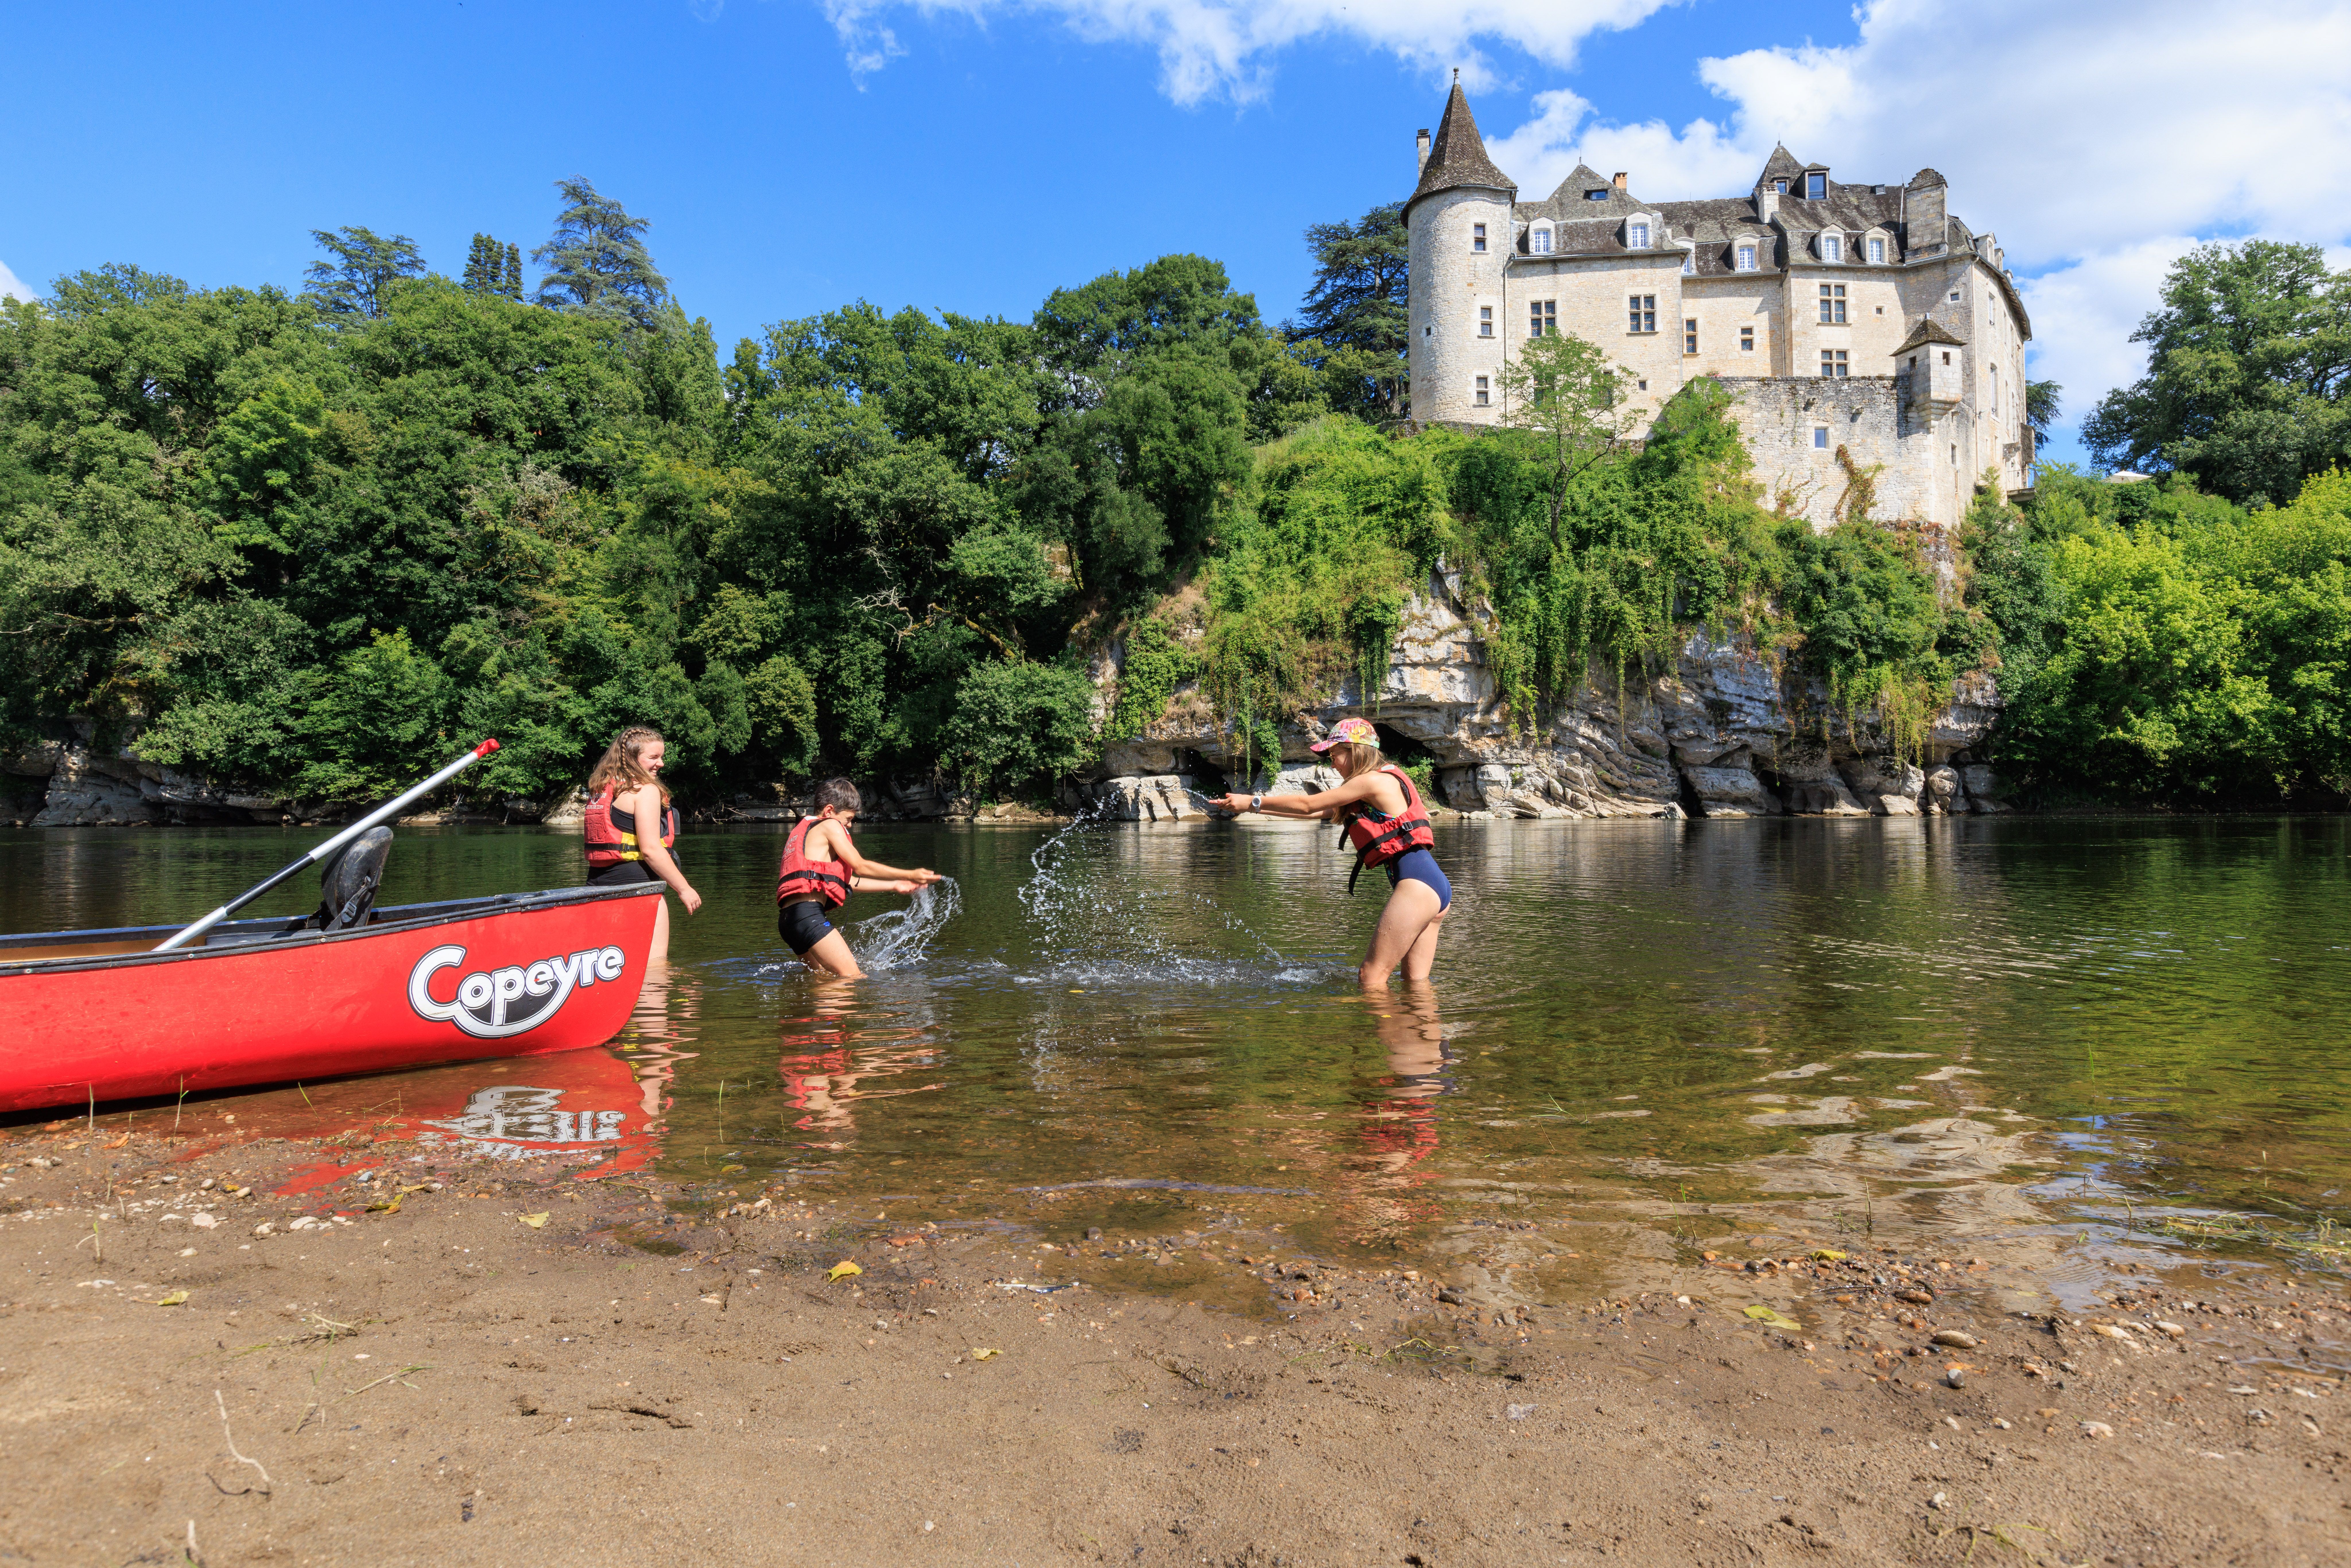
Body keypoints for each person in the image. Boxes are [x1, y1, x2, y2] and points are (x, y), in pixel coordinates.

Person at [1215, 717, 1451, 987]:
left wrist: (1253, 800)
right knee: (1415, 985)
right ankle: (1419, 1028)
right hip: (1433, 886)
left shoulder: (1371, 781)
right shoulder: (1380, 781)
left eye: (1334, 755)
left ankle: (1383, 1029)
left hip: (1417, 886)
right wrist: (1250, 808)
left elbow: (1307, 804)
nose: (1332, 763)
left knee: (1371, 977)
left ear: (1355, 750)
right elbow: (1319, 811)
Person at [777, 777, 943, 979]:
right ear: (829, 811)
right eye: (848, 819)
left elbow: (847, 881)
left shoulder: (805, 832)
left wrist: (895, 885)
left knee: (821, 977)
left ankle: (815, 1012)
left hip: (789, 921)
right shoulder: (830, 825)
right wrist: (910, 874)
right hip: (808, 917)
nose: (850, 825)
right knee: (853, 978)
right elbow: (861, 866)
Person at [582, 726, 702, 963]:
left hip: (596, 887)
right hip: (638, 890)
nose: (662, 763)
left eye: (662, 757)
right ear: (632, 758)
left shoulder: (603, 790)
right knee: (654, 967)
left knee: (613, 969)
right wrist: (684, 889)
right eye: (654, 757)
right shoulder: (645, 790)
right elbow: (651, 850)